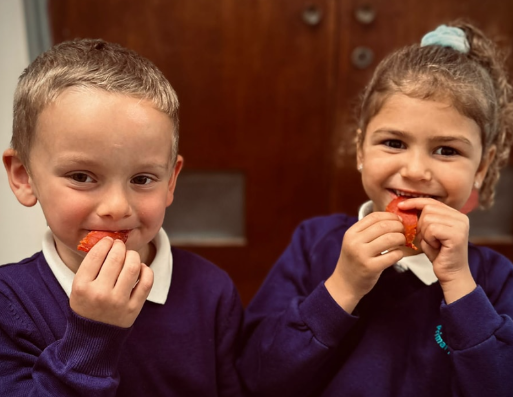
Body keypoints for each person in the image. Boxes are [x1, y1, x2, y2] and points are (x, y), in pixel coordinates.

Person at [237, 21, 513, 397]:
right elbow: (256, 377)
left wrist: (460, 287)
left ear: (482, 166)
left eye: (447, 150)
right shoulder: (314, 244)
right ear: (360, 148)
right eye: (394, 143)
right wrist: (342, 287)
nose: (415, 171)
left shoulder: (495, 280)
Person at [0, 39, 243, 396]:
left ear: (171, 181)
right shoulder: (10, 302)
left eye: (142, 179)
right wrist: (93, 334)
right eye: (82, 177)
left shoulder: (212, 290)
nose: (117, 207)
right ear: (23, 176)